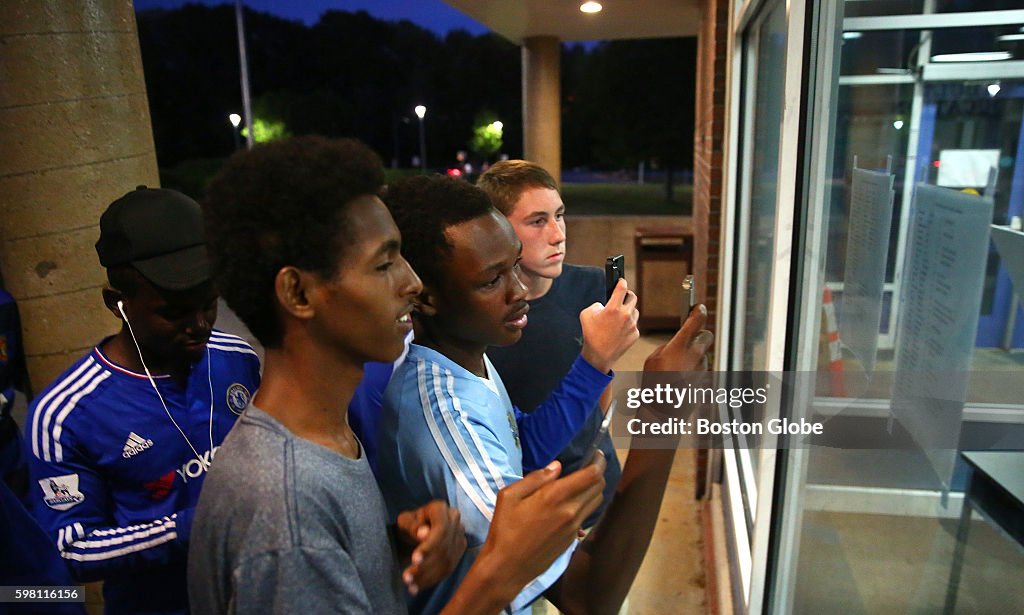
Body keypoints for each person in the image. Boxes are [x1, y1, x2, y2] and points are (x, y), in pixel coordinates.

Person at [189, 136, 608, 615]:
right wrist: (496, 574)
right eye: (385, 263)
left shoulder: (328, 441)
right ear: (298, 294)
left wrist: (397, 551)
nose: (412, 283)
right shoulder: (285, 508)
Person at [377, 175, 713, 614]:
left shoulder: (467, 357)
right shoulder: (446, 417)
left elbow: (524, 444)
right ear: (425, 298)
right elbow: (585, 597)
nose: (518, 291)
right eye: (491, 281)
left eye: (514, 266)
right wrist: (661, 416)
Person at [24, 187, 261, 615]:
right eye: (174, 312)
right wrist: (186, 530)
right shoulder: (63, 416)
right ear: (118, 304)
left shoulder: (238, 359)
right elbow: (71, 549)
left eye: (209, 305)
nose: (200, 325)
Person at [478, 159, 621, 529]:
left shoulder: (590, 286)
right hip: (531, 504)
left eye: (560, 216)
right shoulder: (482, 319)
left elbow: (603, 389)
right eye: (538, 221)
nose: (558, 234)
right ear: (497, 229)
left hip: (598, 483)